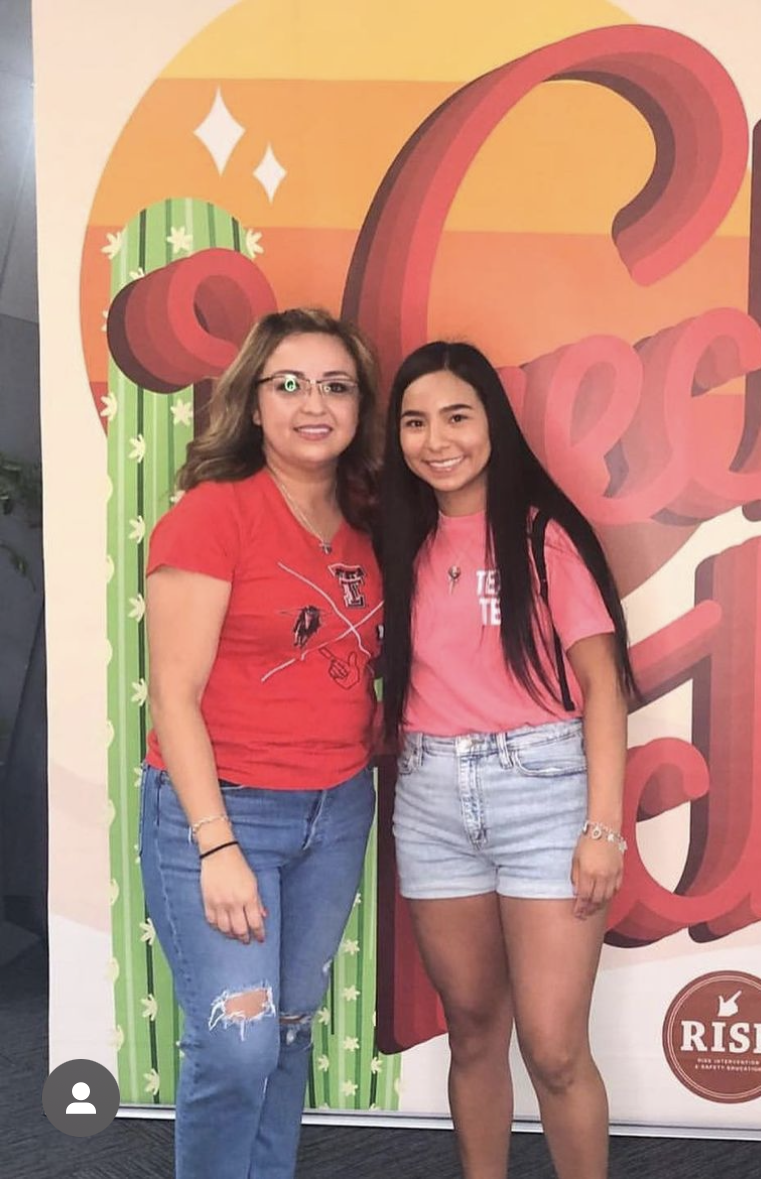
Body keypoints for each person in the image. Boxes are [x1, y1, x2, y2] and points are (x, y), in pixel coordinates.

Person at [381, 340, 638, 1179]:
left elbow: (602, 686)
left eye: (457, 415)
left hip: (543, 795)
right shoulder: (397, 541)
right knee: (472, 1032)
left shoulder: (542, 536)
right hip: (429, 799)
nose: (436, 439)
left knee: (555, 1048)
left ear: (492, 422)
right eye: (414, 422)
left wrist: (603, 827)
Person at [139, 307, 384, 1179]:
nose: (313, 403)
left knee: (285, 1029)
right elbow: (173, 693)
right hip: (223, 811)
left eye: (335, 386)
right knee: (236, 1045)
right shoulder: (213, 515)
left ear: (358, 407)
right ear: (252, 402)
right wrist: (216, 845)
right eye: (289, 383)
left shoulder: (369, 519)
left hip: (337, 809)